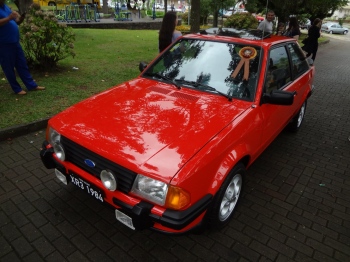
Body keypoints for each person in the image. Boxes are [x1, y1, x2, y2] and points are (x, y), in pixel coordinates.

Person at [0, 0, 45, 95]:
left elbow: (16, 22)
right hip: (4, 44)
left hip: (15, 42)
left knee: (22, 64)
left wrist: (21, 18)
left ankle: (31, 85)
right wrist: (9, 18)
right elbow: (8, 19)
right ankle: (16, 89)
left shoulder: (6, 7)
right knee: (8, 67)